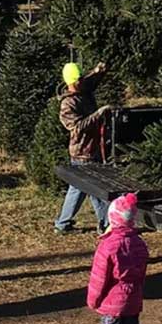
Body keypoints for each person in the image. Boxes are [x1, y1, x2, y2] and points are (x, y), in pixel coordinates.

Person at [86, 193, 149, 324]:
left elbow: (99, 277)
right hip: (132, 299)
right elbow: (142, 273)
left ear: (112, 218)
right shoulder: (139, 244)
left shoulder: (108, 246)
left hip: (111, 303)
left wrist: (93, 300)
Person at [54, 61, 112, 234]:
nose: (81, 82)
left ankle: (62, 224)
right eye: (77, 80)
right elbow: (77, 127)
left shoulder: (83, 88)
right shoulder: (67, 105)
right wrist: (99, 114)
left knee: (78, 188)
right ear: (70, 82)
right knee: (95, 188)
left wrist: (99, 70)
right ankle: (105, 224)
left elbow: (91, 80)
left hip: (93, 148)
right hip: (82, 152)